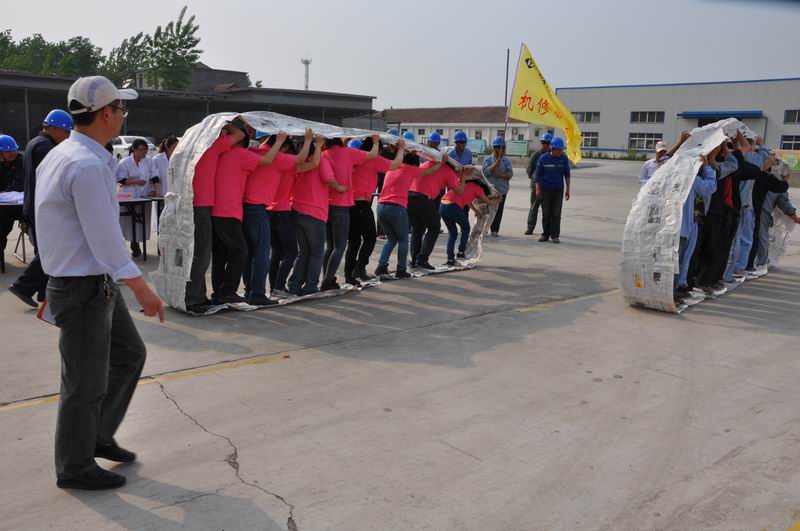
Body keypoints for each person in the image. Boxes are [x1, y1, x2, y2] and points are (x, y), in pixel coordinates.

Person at [35, 75, 163, 490]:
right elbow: (104, 237)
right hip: (82, 287)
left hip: (87, 282)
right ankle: (74, 466)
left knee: (128, 355)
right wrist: (141, 287)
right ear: (107, 113)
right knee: (84, 383)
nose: (124, 115)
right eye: (122, 108)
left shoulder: (68, 155)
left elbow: (52, 222)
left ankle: (96, 435)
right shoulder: (85, 165)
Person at [209, 119, 298, 304]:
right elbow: (270, 160)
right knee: (249, 252)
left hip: (221, 209)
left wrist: (238, 129)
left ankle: (226, 293)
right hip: (239, 210)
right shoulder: (243, 154)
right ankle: (248, 293)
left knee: (225, 254)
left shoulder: (225, 152)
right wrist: (283, 142)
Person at [9, 111, 73, 308]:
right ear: (54, 128)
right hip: (44, 207)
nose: (67, 137)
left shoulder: (35, 142)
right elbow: (52, 180)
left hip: (35, 205)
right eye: (66, 132)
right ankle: (23, 286)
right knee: (51, 250)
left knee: (45, 249)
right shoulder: (46, 147)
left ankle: (44, 293)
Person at [241, 129, 313, 305]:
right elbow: (301, 159)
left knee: (253, 253)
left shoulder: (254, 151)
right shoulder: (278, 158)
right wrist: (310, 141)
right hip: (263, 210)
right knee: (266, 253)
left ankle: (251, 291)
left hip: (249, 208)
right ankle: (260, 293)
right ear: (282, 145)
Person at [184, 122, 245, 313]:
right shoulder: (213, 145)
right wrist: (226, 122)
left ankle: (198, 296)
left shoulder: (190, 147)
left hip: (188, 202)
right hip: (201, 204)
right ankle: (193, 299)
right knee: (202, 254)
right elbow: (240, 135)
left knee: (197, 253)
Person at [375, 132, 446, 278]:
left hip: (381, 207)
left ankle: (381, 267)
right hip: (396, 208)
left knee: (391, 239)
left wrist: (408, 151)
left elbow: (403, 157)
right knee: (403, 240)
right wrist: (442, 162)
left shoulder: (393, 167)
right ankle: (401, 270)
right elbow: (430, 170)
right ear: (414, 163)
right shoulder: (411, 169)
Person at [320, 134, 379, 291]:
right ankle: (328, 280)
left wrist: (344, 142)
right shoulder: (347, 153)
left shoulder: (323, 154)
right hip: (341, 204)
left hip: (326, 205)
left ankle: (326, 277)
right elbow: (372, 155)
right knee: (340, 246)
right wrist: (375, 142)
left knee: (330, 246)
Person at [344, 136, 404, 285]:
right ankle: (359, 268)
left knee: (353, 242)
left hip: (347, 205)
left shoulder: (353, 158)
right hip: (362, 205)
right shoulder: (373, 160)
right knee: (370, 238)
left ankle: (349, 275)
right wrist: (401, 148)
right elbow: (396, 164)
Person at [288, 134, 343, 296]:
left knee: (304, 251)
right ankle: (310, 286)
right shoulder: (320, 161)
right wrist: (341, 188)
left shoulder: (296, 163)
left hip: (296, 209)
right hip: (314, 212)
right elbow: (329, 179)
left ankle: (294, 285)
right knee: (316, 253)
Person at [408, 139, 462, 269]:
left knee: (417, 229)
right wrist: (464, 176)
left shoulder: (426, 164)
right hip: (423, 199)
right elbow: (459, 191)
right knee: (434, 227)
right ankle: (422, 259)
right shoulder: (447, 170)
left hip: (409, 197)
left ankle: (414, 260)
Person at [674, 154, 717, 303]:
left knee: (676, 260)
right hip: (684, 226)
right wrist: (707, 168)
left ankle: (678, 288)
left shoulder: (668, 174)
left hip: (675, 224)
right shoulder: (690, 178)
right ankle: (673, 293)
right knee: (679, 260)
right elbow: (710, 187)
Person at [267, 137, 301, 299]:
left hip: (269, 211)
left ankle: (273, 287)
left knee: (276, 252)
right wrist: (313, 144)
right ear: (285, 147)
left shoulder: (271, 162)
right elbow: (312, 164)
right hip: (282, 211)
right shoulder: (287, 164)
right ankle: (279, 286)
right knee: (292, 251)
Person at [439, 178, 498, 265]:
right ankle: (461, 252)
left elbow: (468, 200)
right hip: (452, 206)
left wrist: (475, 210)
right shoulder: (479, 188)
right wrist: (498, 200)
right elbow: (489, 202)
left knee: (453, 233)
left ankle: (450, 259)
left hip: (442, 205)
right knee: (466, 228)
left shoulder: (466, 185)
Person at [117, 139, 158, 257]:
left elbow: (154, 176)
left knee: (142, 221)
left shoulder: (149, 161)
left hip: (145, 194)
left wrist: (157, 190)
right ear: (134, 150)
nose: (144, 152)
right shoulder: (125, 162)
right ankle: (133, 243)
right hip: (129, 196)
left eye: (145, 150)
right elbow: (121, 180)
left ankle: (139, 242)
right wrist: (136, 182)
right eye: (141, 150)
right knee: (130, 222)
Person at [534, 136, 571, 243]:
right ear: (552, 149)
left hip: (558, 190)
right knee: (546, 213)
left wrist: (568, 189)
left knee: (556, 213)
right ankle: (545, 234)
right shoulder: (543, 158)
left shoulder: (564, 158)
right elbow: (538, 176)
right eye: (558, 150)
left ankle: (555, 235)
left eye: (561, 150)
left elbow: (567, 175)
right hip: (545, 190)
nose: (560, 152)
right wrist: (537, 190)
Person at [482, 136, 514, 237]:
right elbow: (485, 172)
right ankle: (484, 229)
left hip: (502, 189)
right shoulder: (488, 159)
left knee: (498, 211)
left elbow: (510, 174)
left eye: (503, 147)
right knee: (487, 210)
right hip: (490, 189)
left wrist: (500, 175)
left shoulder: (507, 160)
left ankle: (495, 229)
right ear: (495, 148)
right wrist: (494, 166)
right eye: (500, 147)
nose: (502, 150)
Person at [0, 135, 24, 260]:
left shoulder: (22, 161)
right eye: (8, 151)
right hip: (4, 206)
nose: (12, 153)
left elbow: (19, 185)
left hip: (19, 207)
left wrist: (4, 193)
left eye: (14, 150)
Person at [525, 132, 552, 235]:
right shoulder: (535, 155)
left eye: (547, 143)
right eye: (543, 143)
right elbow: (529, 170)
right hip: (536, 186)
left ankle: (547, 231)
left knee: (547, 210)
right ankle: (530, 227)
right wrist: (535, 180)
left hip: (548, 187)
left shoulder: (553, 156)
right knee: (533, 208)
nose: (545, 145)